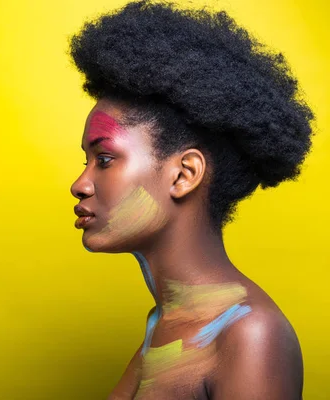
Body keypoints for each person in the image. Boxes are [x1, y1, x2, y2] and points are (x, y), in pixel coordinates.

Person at [68, 1, 313, 399]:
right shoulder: (163, 324)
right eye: (87, 161)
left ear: (184, 175)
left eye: (105, 159)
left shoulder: (249, 335)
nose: (80, 184)